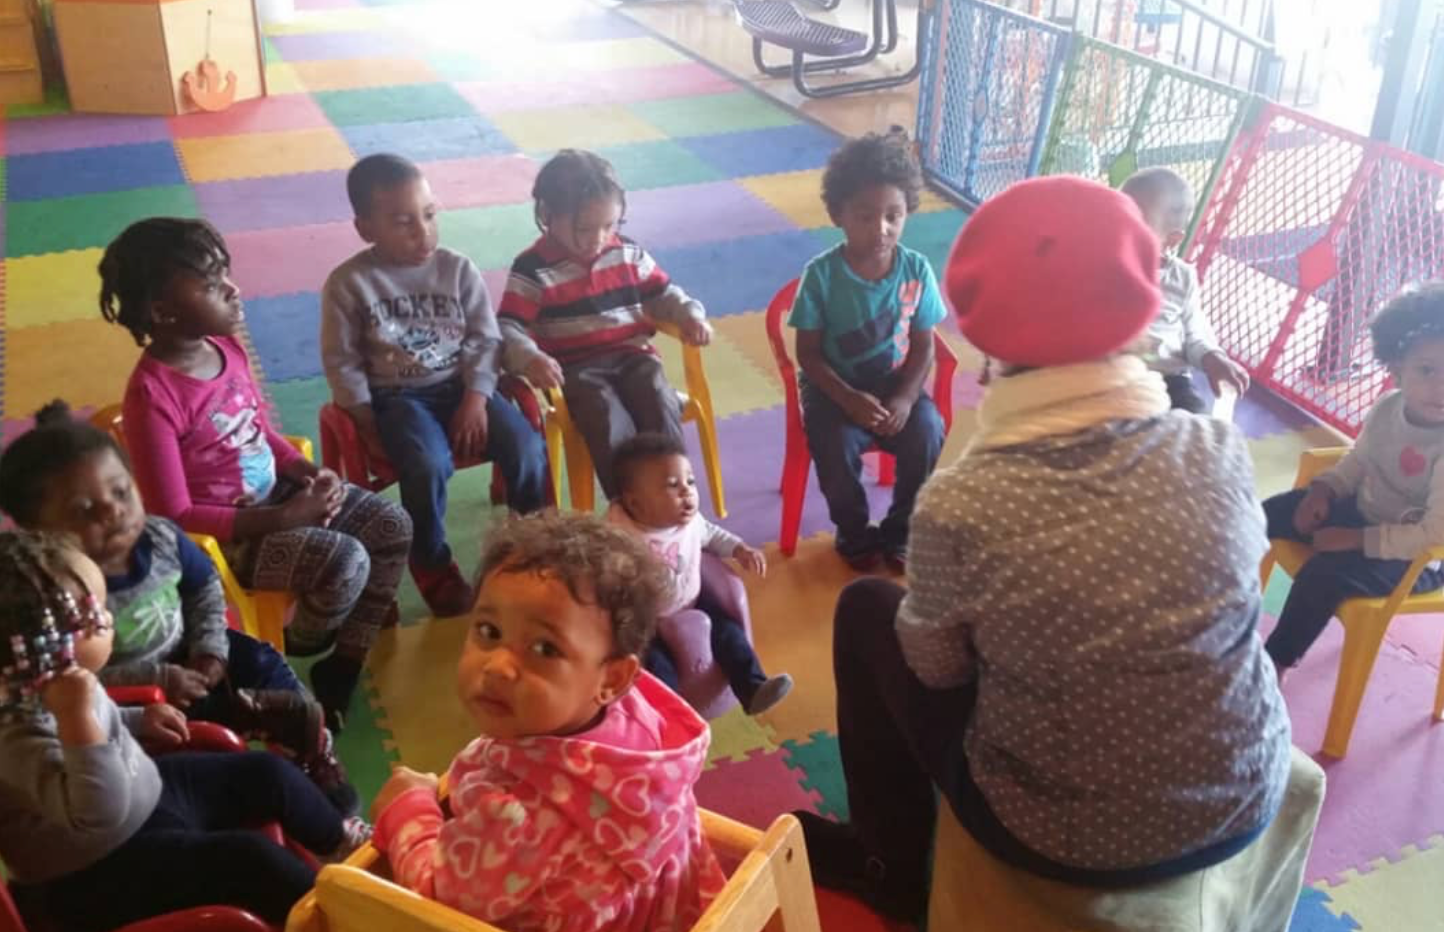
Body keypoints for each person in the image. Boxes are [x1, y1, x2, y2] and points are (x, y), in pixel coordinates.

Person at [795, 177, 1292, 923]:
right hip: (1247, 793)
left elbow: (936, 668)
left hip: (1058, 836)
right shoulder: (1216, 447)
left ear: (989, 344)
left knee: (868, 606)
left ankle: (886, 861)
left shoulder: (966, 501)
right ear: (1141, 316)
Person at [98, 217, 413, 732]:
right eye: (211, 284)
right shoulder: (151, 397)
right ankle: (299, 645)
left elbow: (261, 433)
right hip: (230, 537)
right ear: (164, 312)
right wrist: (286, 518)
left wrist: (309, 472)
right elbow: (173, 514)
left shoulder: (227, 348)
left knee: (392, 526)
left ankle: (344, 662)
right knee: (347, 561)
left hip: (279, 495)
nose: (233, 290)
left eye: (227, 273)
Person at [0, 400, 360, 815]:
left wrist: (210, 650)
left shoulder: (161, 537)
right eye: (84, 510)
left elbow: (203, 587)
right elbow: (72, 679)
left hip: (194, 656)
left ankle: (313, 756)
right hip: (129, 700)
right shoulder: (52, 595)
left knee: (262, 663)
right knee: (192, 770)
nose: (113, 511)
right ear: (36, 531)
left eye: (120, 491)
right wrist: (160, 680)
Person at [371, 512, 725, 932]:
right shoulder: (641, 719)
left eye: (544, 647)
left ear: (611, 678)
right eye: (488, 630)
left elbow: (436, 897)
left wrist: (407, 809)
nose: (499, 667)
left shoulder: (512, 817)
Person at [0, 530, 368, 932]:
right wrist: (78, 720)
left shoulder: (61, 682)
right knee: (251, 859)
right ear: (46, 649)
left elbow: (104, 720)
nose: (108, 619)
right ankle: (347, 922)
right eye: (96, 617)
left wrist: (138, 719)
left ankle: (342, 846)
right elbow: (97, 812)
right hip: (89, 872)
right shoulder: (16, 737)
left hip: (142, 799)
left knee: (266, 772)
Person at [321, 153, 549, 618]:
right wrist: (364, 420)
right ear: (366, 229)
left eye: (428, 215)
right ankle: (433, 567)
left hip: (462, 388)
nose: (422, 232)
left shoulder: (457, 269)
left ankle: (531, 548)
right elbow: (341, 362)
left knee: (526, 446)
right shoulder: (349, 284)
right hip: (398, 400)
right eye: (403, 222)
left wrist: (476, 398)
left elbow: (487, 338)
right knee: (426, 466)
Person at [499, 149, 712, 499]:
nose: (598, 238)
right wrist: (531, 358)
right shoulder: (532, 269)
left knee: (658, 396)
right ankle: (628, 505)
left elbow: (664, 294)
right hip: (577, 370)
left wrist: (690, 313)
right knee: (605, 412)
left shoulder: (626, 252)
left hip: (634, 357)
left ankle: (675, 496)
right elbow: (508, 328)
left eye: (609, 226)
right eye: (584, 228)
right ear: (547, 215)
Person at [1263, 282, 1444, 673]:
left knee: (1321, 576)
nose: (1441, 387)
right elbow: (1358, 461)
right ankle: (1213, 598)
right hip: (1363, 513)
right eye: (1427, 370)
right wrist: (1324, 490)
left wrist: (1357, 539)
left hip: (1415, 558)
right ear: (1397, 369)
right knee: (1267, 512)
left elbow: (1434, 535)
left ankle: (1273, 665)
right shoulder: (1387, 408)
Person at [788, 129, 946, 572]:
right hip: (834, 388)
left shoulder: (916, 269)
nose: (881, 228)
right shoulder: (820, 276)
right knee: (834, 447)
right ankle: (854, 534)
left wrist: (906, 397)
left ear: (907, 212)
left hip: (895, 384)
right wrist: (848, 399)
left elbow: (924, 344)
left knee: (928, 432)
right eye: (864, 216)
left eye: (893, 216)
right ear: (839, 214)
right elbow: (810, 355)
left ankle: (901, 532)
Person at [607, 433, 792, 715]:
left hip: (693, 601)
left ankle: (753, 688)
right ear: (635, 504)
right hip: (646, 621)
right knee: (656, 666)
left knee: (730, 635)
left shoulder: (691, 521)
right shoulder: (619, 536)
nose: (687, 492)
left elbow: (713, 535)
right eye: (672, 485)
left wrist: (739, 549)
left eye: (690, 482)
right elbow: (601, 574)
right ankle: (668, 718)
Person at [1120, 167, 1250, 412]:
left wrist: (1212, 357)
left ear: (1171, 240)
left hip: (1170, 380)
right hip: (1116, 375)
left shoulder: (1182, 277)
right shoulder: (1102, 265)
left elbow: (1194, 332)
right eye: (1115, 217)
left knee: (1201, 429)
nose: (1121, 230)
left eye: (1136, 225)